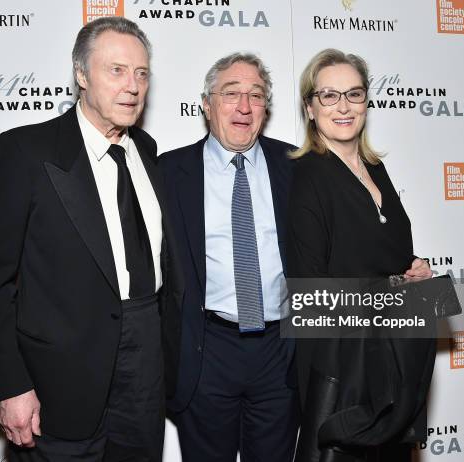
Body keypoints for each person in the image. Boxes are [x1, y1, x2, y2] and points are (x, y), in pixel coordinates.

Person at [0, 17, 182, 462]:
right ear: (82, 75)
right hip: (59, 381)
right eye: (117, 70)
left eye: (142, 73)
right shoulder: (25, 151)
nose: (133, 86)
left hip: (145, 370)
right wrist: (10, 384)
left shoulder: (146, 149)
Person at [286, 49, 434, 462]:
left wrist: (415, 272)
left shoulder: (375, 168)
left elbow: (384, 256)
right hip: (346, 376)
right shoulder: (309, 177)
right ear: (310, 109)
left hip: (391, 363)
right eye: (329, 96)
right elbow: (312, 297)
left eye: (354, 94)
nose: (344, 106)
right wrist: (392, 290)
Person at [158, 53, 299, 462]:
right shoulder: (167, 172)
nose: (243, 106)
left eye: (255, 95)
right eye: (231, 93)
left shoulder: (298, 167)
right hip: (206, 352)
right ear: (206, 103)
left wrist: (404, 265)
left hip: (280, 351)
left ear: (266, 108)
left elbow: (343, 235)